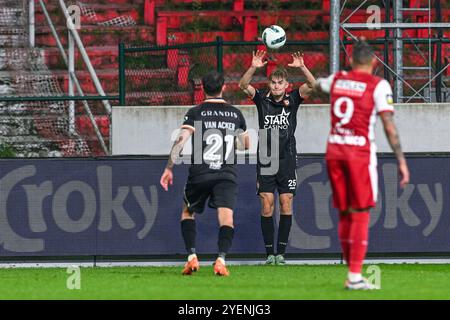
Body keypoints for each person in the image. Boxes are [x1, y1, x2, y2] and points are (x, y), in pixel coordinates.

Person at [314, 40, 410, 290]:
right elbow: (388, 125)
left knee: (345, 211)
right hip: (359, 153)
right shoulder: (378, 85)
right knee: (361, 212)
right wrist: (401, 160)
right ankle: (355, 275)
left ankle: (351, 270)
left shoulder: (338, 79)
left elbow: (317, 84)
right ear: (374, 62)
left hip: (334, 150)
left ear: (350, 61)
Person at [160, 71, 249, 277]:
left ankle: (192, 257)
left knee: (187, 212)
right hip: (226, 173)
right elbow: (245, 144)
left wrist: (169, 167)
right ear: (223, 87)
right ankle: (221, 259)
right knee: (226, 218)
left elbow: (180, 140)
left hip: (200, 173)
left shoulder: (196, 112)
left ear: (202, 88)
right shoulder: (236, 114)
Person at [239, 51, 316, 265]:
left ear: (286, 86)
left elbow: (314, 85)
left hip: (287, 156)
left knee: (285, 202)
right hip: (267, 157)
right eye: (273, 82)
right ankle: (269, 254)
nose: (275, 86)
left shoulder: (294, 98)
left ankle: (281, 253)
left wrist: (302, 67)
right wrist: (253, 66)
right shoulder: (261, 98)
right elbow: (243, 85)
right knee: (266, 204)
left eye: (279, 83)